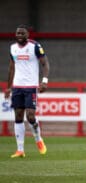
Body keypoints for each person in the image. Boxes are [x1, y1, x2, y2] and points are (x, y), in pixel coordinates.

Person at [4, 24, 50, 158]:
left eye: (22, 33)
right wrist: (8, 87)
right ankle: (20, 150)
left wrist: (44, 81)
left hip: (31, 87)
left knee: (30, 116)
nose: (19, 35)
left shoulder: (35, 46)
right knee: (18, 116)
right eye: (17, 33)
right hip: (17, 87)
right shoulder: (13, 48)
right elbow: (12, 68)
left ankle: (38, 139)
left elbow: (45, 63)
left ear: (27, 35)